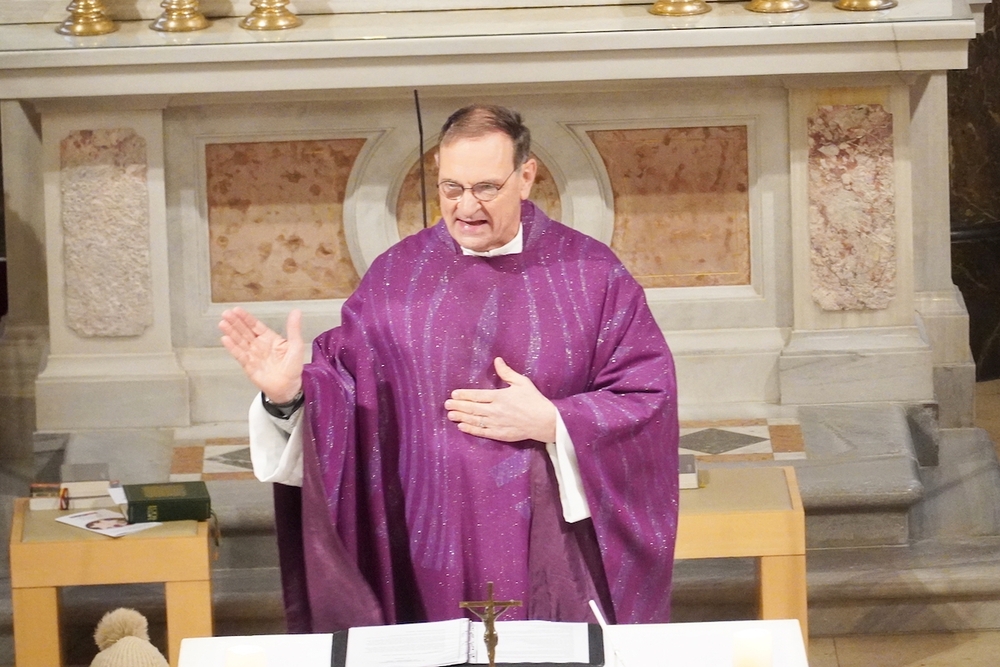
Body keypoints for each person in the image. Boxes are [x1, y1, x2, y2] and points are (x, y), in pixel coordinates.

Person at [219, 104, 679, 633]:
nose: (466, 207)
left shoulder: (591, 275)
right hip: (428, 543)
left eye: (486, 187)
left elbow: (647, 396)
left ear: (526, 176)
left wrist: (555, 421)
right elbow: (348, 398)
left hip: (550, 548)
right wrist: (289, 395)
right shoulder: (397, 277)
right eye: (451, 188)